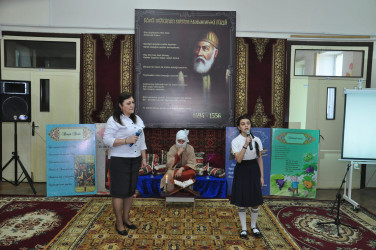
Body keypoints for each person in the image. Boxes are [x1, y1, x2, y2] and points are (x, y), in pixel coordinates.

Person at [103, 92, 147, 236]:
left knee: (129, 192)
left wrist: (144, 159)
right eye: (128, 103)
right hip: (118, 159)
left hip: (134, 160)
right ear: (121, 105)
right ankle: (119, 223)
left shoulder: (138, 119)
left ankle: (126, 219)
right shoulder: (114, 120)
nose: (132, 105)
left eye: (133, 102)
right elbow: (107, 140)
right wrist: (125, 140)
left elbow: (142, 141)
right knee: (118, 193)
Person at [179, 31, 230, 113]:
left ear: (215, 53)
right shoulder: (183, 76)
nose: (199, 53)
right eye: (197, 48)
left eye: (205, 49)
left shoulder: (226, 75)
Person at [231, 114, 264, 239]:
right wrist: (245, 144)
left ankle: (254, 227)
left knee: (255, 201)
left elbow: (259, 159)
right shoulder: (235, 141)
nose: (246, 126)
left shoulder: (257, 140)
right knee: (242, 200)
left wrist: (261, 177)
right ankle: (244, 228)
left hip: (253, 168)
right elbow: (238, 159)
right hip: (242, 169)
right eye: (243, 124)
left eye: (248, 123)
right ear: (239, 127)